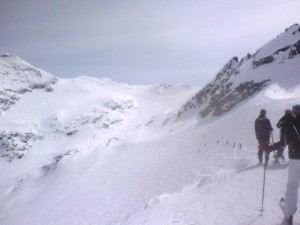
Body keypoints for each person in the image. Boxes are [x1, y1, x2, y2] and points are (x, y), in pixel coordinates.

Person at [284, 104, 300, 224]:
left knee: (292, 186)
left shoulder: (291, 123)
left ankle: (289, 213)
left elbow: (284, 141)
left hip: (295, 158)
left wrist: (268, 149)